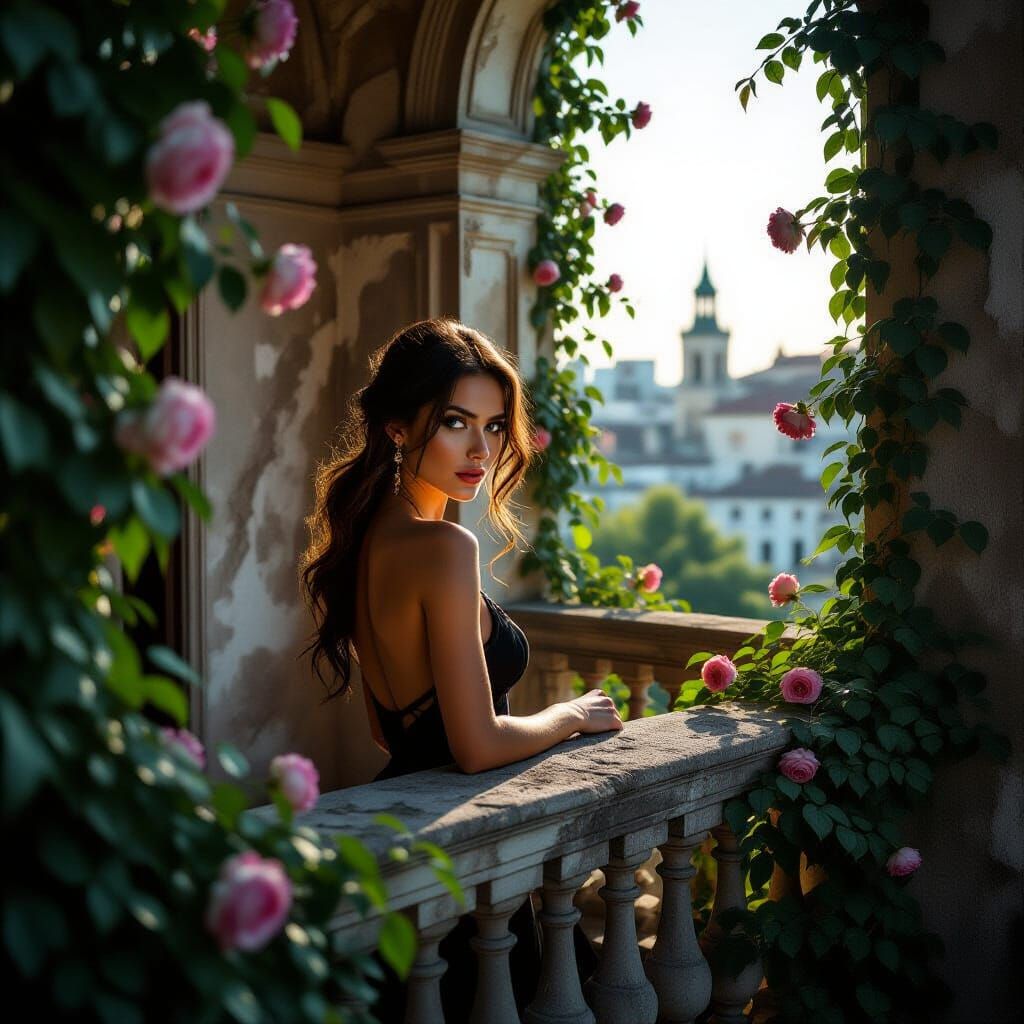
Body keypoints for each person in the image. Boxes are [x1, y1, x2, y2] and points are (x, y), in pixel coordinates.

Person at [300, 317, 622, 1020]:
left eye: (496, 425)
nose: (482, 449)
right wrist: (570, 714)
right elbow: (475, 745)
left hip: (411, 835)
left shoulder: (365, 538)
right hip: (462, 864)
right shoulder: (443, 547)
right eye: (455, 422)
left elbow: (394, 734)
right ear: (397, 427)